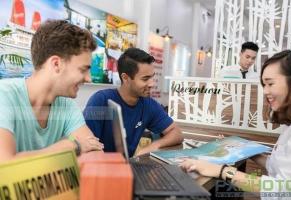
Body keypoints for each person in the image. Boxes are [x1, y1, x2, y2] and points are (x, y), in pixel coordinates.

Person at [180, 50, 291, 198]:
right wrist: (249, 151)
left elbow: (285, 190)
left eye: (270, 83)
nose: (265, 91)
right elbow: (280, 167)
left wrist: (223, 171)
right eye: (264, 84)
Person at [0, 20, 104, 162]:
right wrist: (71, 146)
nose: (89, 78)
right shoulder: (4, 94)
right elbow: (5, 164)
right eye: (83, 69)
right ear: (56, 64)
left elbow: (95, 153)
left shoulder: (67, 105)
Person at [84, 48, 183, 157]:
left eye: (152, 77)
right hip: (99, 167)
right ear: (126, 78)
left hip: (128, 166)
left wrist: (151, 147)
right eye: (145, 79)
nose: (151, 84)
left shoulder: (148, 105)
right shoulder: (101, 101)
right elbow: (87, 144)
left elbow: (176, 133)